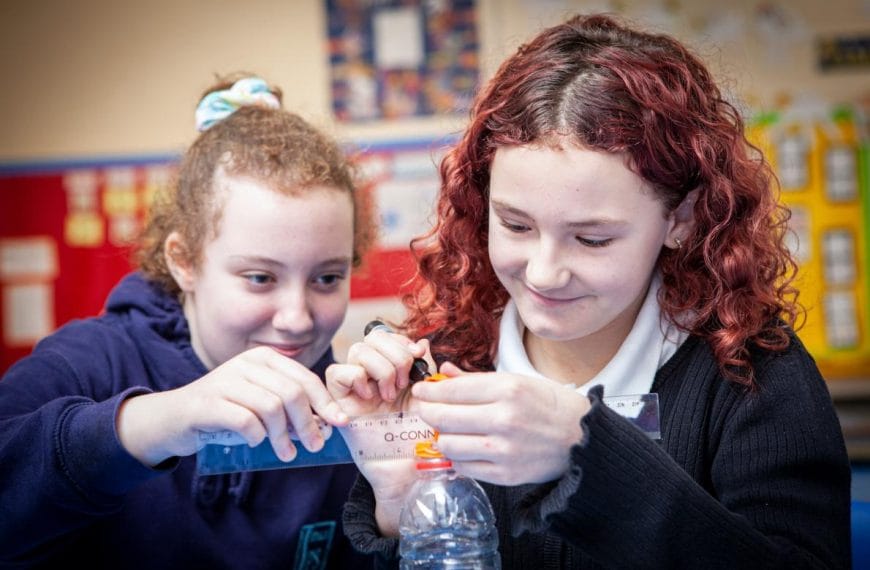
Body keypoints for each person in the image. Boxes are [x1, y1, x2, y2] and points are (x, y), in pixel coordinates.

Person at [326, 14, 852, 569]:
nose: (545, 273)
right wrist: (400, 508)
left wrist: (589, 456)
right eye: (516, 225)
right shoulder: (442, 363)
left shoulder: (753, 375)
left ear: (682, 218)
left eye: (593, 238)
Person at [0, 74, 376, 568]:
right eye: (260, 277)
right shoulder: (89, 363)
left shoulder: (342, 407)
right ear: (185, 261)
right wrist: (156, 422)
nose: (296, 318)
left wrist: (395, 498)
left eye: (327, 278)